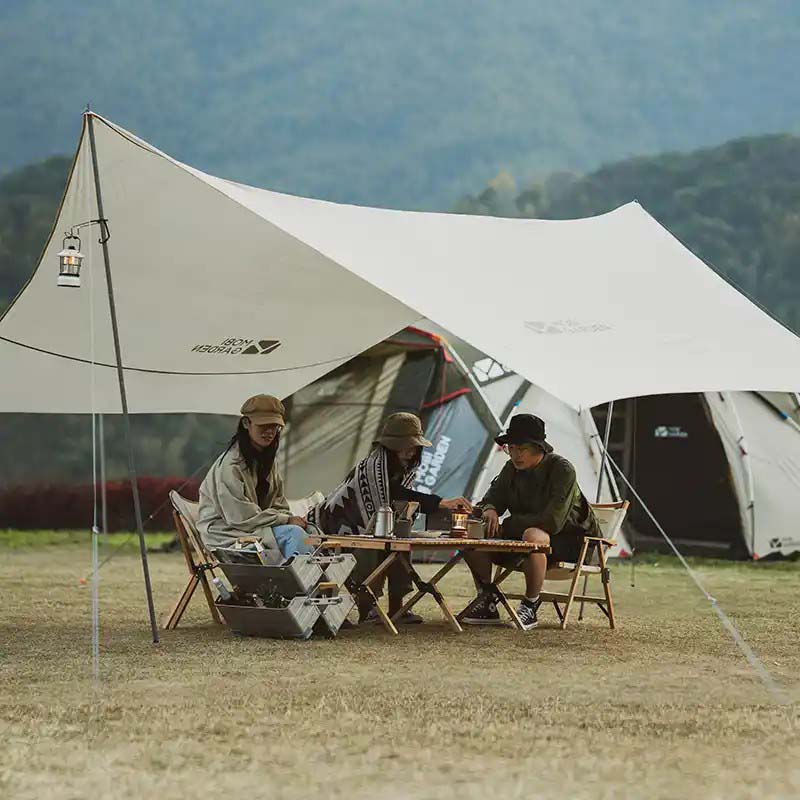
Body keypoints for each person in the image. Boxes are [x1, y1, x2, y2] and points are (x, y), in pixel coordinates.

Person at [308, 412, 471, 624]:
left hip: (367, 530)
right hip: (332, 530)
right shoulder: (372, 468)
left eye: (414, 447)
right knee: (373, 545)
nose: (410, 452)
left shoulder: (400, 471)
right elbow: (394, 495)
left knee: (399, 541)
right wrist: (440, 503)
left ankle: (397, 607)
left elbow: (399, 500)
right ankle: (368, 607)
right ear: (391, 446)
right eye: (405, 446)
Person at [462, 413, 600, 630]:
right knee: (474, 532)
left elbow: (552, 522)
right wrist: (489, 510)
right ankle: (487, 598)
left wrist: (507, 524)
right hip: (525, 538)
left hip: (572, 542)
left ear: (539, 448)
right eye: (511, 448)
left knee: (533, 535)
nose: (515, 454)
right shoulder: (511, 468)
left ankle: (531, 604)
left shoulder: (562, 470)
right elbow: (491, 499)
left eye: (522, 448)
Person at [197, 394, 313, 564]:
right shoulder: (230, 466)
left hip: (255, 528)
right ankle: (303, 586)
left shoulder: (266, 463)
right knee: (294, 535)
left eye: (274, 426)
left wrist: (292, 519)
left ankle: (313, 583)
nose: (269, 431)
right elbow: (240, 518)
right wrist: (286, 520)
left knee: (311, 530)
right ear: (246, 423)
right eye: (263, 425)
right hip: (228, 534)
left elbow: (279, 504)